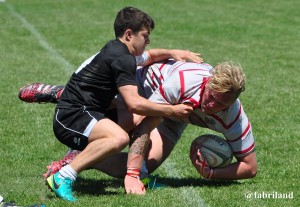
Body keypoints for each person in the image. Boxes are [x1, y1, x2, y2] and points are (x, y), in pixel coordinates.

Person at [31, 6, 203, 202]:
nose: (148, 40)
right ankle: (64, 176)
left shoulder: (120, 50)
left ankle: (135, 174)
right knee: (120, 137)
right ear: (129, 34)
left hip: (91, 110)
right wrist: (172, 110)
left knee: (137, 134)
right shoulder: (122, 58)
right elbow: (134, 103)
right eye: (145, 35)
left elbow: (151, 56)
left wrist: (174, 52)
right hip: (72, 116)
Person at [19, 60, 257, 194]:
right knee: (123, 129)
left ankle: (80, 157)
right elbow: (144, 121)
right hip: (143, 87)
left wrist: (211, 173)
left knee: (147, 166)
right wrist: (133, 176)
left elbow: (250, 167)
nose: (212, 106)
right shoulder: (184, 82)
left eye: (221, 104)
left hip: (174, 117)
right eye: (212, 97)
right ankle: (62, 93)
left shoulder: (234, 117)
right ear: (208, 82)